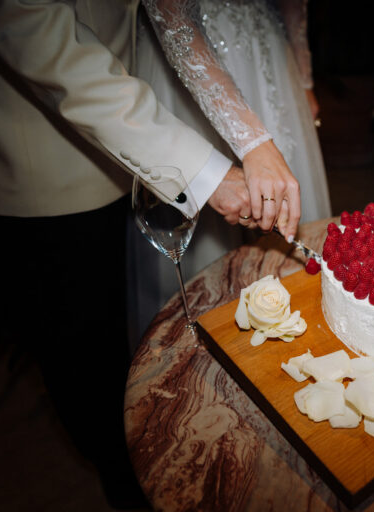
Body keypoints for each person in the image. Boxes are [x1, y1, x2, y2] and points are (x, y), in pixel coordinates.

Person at [0, 0, 300, 508]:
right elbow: (32, 29)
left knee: (123, 345)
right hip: (52, 182)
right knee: (89, 386)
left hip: (135, 146)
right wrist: (209, 173)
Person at [129, 0, 332, 343]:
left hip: (269, 55)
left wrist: (304, 76)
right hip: (191, 55)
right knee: (203, 258)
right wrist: (252, 141)